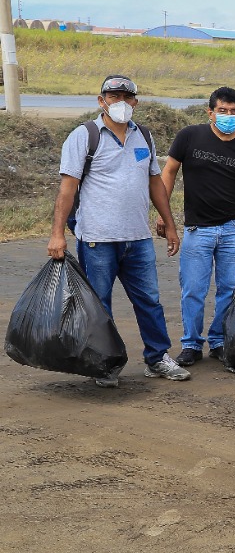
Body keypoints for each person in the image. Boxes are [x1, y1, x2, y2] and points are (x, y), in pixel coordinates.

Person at [46, 74, 189, 386]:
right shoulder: (84, 136)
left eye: (126, 97)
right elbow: (67, 189)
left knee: (149, 301)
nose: (120, 103)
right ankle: (104, 364)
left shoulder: (144, 136)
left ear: (135, 102)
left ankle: (157, 358)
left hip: (138, 238)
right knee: (100, 305)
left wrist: (170, 224)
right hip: (98, 239)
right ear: (102, 101)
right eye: (113, 97)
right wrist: (57, 234)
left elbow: (155, 182)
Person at [159, 86, 235, 367]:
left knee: (229, 290)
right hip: (197, 230)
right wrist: (163, 212)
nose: (228, 116)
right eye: (222, 110)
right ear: (210, 112)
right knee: (193, 290)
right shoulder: (189, 136)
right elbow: (168, 172)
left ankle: (219, 341)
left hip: (233, 231)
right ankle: (191, 344)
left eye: (234, 111)